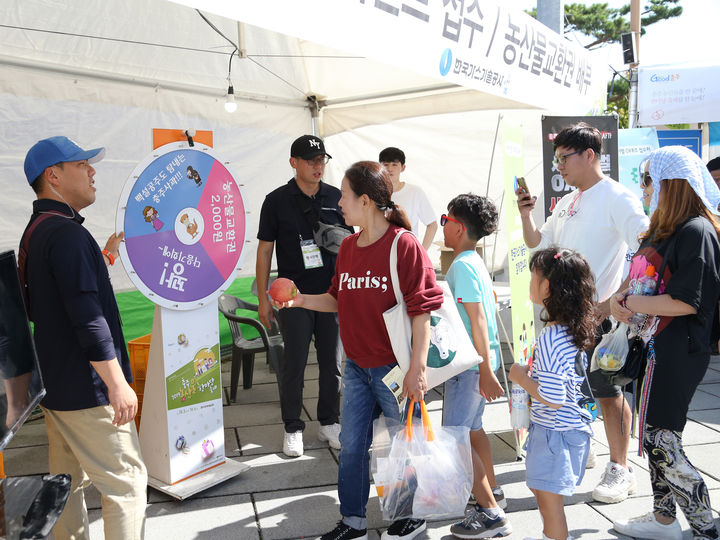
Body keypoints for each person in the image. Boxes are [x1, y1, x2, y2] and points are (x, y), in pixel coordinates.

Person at [271, 161, 443, 540]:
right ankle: (353, 522)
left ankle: (408, 518)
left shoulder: (404, 245)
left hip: (395, 369)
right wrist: (299, 301)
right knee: (351, 449)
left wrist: (418, 369)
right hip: (357, 367)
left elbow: (422, 313)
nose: (339, 204)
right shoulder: (348, 246)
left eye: (345, 197)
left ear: (365, 201)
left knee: (399, 446)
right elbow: (337, 300)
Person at [20, 136, 147, 540]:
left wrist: (103, 256)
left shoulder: (36, 232)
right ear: (53, 176)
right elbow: (88, 320)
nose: (92, 171)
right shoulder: (67, 235)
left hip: (56, 388)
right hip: (88, 390)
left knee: (65, 485)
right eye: (82, 164)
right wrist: (116, 384)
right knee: (126, 485)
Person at [516, 122, 649, 504]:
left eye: (564, 158)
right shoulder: (568, 200)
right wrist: (526, 214)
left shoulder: (617, 198)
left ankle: (621, 468)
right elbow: (538, 242)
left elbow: (646, 247)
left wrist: (615, 300)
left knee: (610, 392)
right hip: (567, 321)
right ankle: (584, 444)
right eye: (556, 159)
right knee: (576, 387)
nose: (559, 166)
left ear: (590, 155)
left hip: (602, 319)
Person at [610, 146, 720, 540]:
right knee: (654, 435)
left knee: (660, 439)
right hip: (650, 346)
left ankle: (707, 526)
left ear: (668, 184)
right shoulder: (663, 229)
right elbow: (640, 276)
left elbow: (689, 299)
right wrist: (619, 299)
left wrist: (631, 302)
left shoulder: (697, 231)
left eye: (647, 179)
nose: (643, 188)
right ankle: (663, 520)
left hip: (677, 349)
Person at [256, 135, 349, 457]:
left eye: (322, 160)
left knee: (332, 364)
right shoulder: (276, 200)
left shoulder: (337, 197)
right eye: (311, 160)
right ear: (293, 162)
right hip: (292, 297)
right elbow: (265, 249)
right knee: (293, 363)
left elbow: (352, 243)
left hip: (331, 296)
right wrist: (264, 298)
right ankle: (292, 427)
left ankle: (329, 422)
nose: (318, 165)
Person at [509, 247, 597, 540]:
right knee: (543, 492)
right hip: (568, 430)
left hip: (554, 434)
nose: (530, 285)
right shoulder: (571, 330)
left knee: (550, 506)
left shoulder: (549, 337)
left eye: (533, 278)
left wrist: (521, 377)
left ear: (547, 286)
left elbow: (553, 397)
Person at [439, 194, 512, 539]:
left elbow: (478, 319)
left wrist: (484, 369)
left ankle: (490, 513)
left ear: (458, 226)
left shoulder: (463, 266)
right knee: (473, 429)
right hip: (478, 364)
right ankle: (492, 490)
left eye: (445, 220)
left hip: (470, 366)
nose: (442, 226)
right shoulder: (473, 261)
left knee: (455, 438)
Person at [379, 147, 437, 250]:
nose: (390, 169)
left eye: (394, 164)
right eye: (386, 165)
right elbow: (365, 225)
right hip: (380, 251)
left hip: (407, 251)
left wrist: (422, 252)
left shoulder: (415, 192)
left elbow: (432, 224)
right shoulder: (373, 193)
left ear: (403, 167)